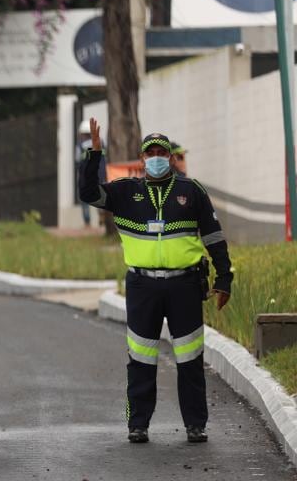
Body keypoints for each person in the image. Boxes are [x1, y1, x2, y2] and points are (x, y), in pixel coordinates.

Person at [79, 119, 232, 444]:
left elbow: (214, 238)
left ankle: (195, 425)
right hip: (142, 286)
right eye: (151, 154)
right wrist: (95, 154)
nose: (157, 158)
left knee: (190, 359)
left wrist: (224, 279)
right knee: (140, 359)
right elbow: (88, 193)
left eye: (163, 153)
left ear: (172, 158)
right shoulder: (125, 191)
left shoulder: (192, 191)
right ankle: (137, 424)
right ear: (143, 158)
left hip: (185, 286)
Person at [77, 119, 106, 227]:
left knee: (85, 198)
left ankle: (87, 222)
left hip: (85, 176)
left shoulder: (80, 145)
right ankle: (102, 213)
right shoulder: (101, 142)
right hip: (100, 174)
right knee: (99, 195)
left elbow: (77, 159)